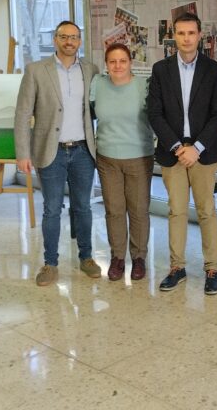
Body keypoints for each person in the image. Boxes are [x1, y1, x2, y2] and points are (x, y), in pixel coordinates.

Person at [147, 11, 217, 295]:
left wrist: (197, 147)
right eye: (181, 33)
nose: (186, 38)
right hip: (173, 152)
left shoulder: (213, 69)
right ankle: (177, 267)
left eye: (191, 33)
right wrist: (177, 147)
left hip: (203, 153)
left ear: (199, 35)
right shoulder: (161, 69)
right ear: (174, 36)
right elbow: (154, 114)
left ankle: (212, 268)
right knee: (177, 211)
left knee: (207, 211)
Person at [15, 20, 102, 287]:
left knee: (83, 207)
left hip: (83, 151)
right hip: (50, 151)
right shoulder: (36, 70)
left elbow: (97, 109)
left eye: (74, 37)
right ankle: (50, 264)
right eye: (64, 37)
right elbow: (22, 114)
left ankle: (86, 258)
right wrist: (22, 153)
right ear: (55, 39)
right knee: (52, 209)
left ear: (80, 41)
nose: (69, 41)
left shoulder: (90, 69)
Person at [91, 43, 154, 282]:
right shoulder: (98, 85)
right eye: (112, 61)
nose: (118, 66)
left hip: (139, 156)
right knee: (114, 210)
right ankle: (117, 257)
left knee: (138, 211)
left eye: (123, 61)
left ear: (131, 63)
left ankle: (139, 258)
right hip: (107, 158)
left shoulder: (144, 86)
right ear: (106, 64)